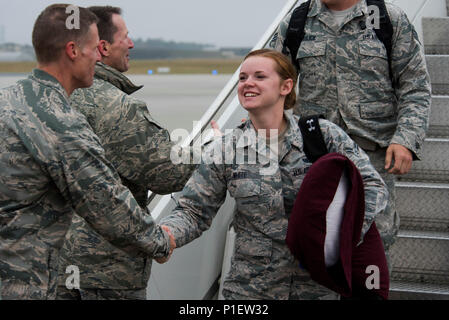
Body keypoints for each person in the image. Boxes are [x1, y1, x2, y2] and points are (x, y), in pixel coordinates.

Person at [159, 49, 388, 300]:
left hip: (315, 288)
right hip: (252, 289)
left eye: (259, 76)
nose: (248, 83)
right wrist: (167, 235)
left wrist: (341, 236)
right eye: (243, 78)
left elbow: (372, 186)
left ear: (286, 86)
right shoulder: (226, 149)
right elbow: (193, 210)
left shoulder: (323, 136)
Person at [0, 4, 174, 300]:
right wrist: (159, 242)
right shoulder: (60, 124)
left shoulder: (9, 101)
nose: (98, 56)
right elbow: (106, 202)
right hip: (27, 285)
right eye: (94, 48)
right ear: (73, 50)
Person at [269, 0, 431, 263]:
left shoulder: (387, 19)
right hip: (312, 157)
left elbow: (415, 86)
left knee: (373, 238)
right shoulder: (297, 22)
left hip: (373, 158)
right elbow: (273, 85)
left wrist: (406, 140)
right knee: (315, 236)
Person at [55, 6, 196, 300]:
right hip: (104, 273)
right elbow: (168, 173)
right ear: (103, 47)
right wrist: (217, 149)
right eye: (126, 37)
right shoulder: (113, 106)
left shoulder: (47, 97)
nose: (131, 44)